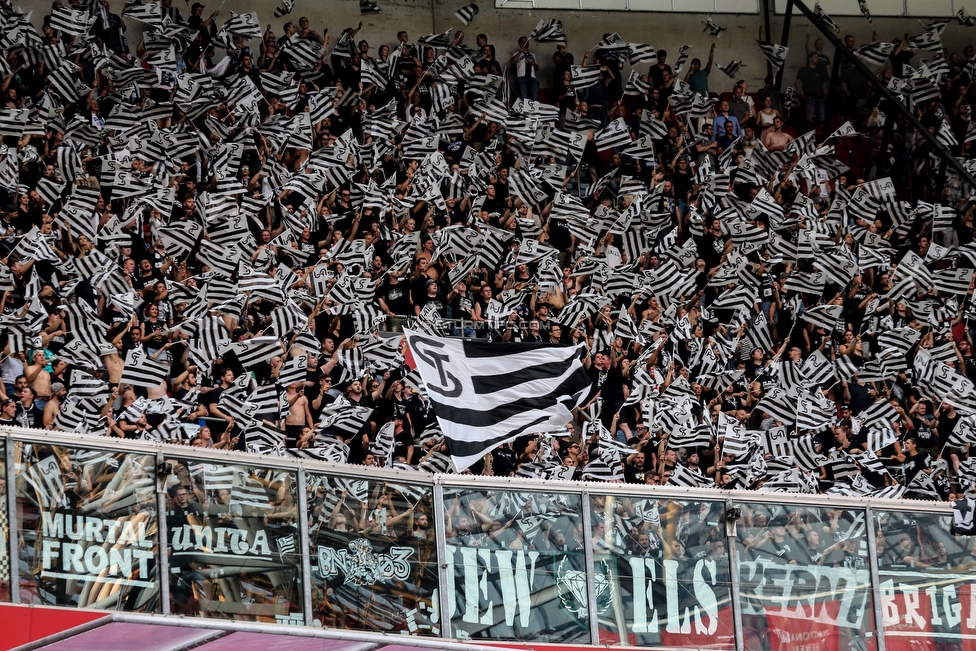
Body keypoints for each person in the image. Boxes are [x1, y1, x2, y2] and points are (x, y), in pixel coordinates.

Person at [511, 36, 539, 100]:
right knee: (524, 97)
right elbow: (512, 61)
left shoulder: (532, 54)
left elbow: (537, 68)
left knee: (534, 97)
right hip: (522, 77)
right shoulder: (516, 53)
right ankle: (525, 110)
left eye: (527, 41)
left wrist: (534, 63)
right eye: (524, 41)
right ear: (520, 44)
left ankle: (533, 109)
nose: (527, 43)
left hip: (532, 78)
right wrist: (520, 52)